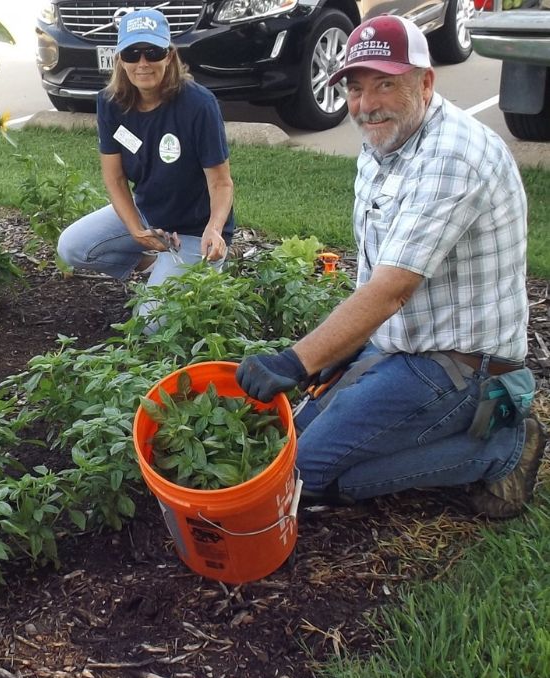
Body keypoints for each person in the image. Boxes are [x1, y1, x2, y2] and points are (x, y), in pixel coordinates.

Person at [236, 15, 545, 519]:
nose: (367, 103)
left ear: (425, 82)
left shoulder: (453, 156)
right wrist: (344, 349)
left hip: (464, 367)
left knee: (303, 474)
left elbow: (390, 290)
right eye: (356, 88)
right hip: (402, 347)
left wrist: (294, 362)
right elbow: (377, 271)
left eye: (385, 83)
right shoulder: (383, 144)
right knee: (296, 433)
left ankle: (501, 447)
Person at [56, 8, 235, 319]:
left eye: (152, 52)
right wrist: (138, 230)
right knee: (72, 247)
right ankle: (157, 267)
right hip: (149, 212)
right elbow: (114, 179)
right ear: (120, 59)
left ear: (169, 55)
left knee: (150, 325)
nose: (142, 63)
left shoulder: (199, 104)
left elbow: (221, 183)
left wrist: (214, 229)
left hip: (196, 228)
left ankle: (202, 267)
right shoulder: (110, 102)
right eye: (132, 53)